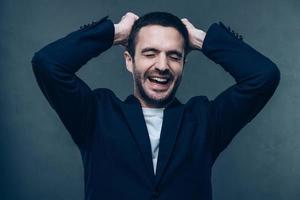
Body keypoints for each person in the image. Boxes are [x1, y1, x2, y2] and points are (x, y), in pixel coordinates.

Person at [31, 11, 280, 200]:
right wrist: (114, 33)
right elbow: (48, 64)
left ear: (183, 64)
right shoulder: (96, 114)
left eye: (174, 56)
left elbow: (263, 76)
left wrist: (203, 40)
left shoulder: (205, 120)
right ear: (130, 61)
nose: (162, 66)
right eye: (150, 53)